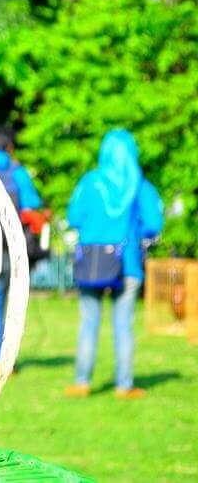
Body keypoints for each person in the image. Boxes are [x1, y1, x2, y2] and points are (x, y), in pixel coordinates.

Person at [65, 129, 163, 399]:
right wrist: (138, 234)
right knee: (123, 326)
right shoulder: (139, 184)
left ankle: (82, 382)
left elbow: (74, 216)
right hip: (128, 263)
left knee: (88, 323)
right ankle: (124, 386)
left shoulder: (90, 181)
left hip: (91, 263)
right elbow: (154, 223)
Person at [0, 126, 43, 374]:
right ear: (8, 147)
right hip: (14, 249)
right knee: (4, 302)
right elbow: (33, 205)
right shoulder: (17, 172)